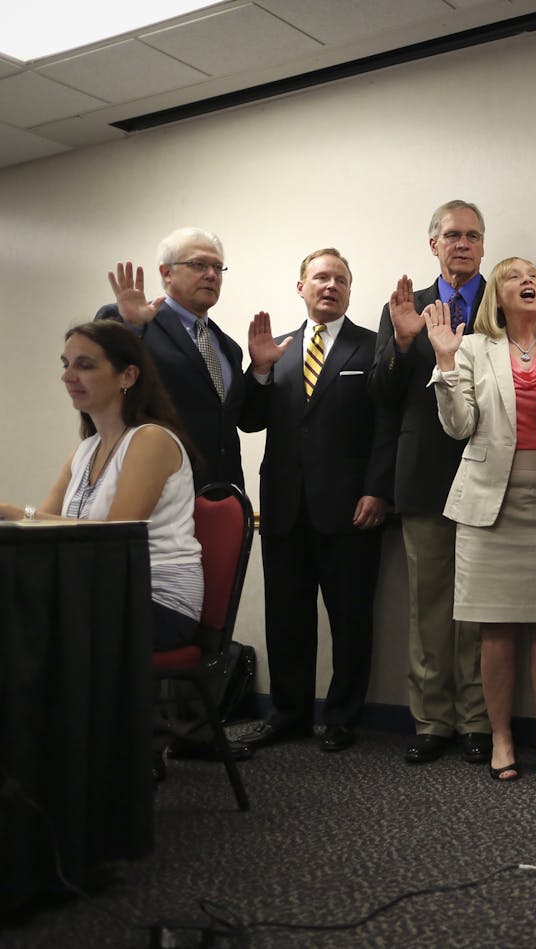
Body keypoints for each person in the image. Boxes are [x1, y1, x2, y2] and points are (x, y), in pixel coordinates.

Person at [237, 249, 395, 754]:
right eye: (320, 278)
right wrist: (258, 372)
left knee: (350, 621)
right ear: (300, 286)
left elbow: (386, 428)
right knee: (286, 620)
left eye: (340, 280)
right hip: (283, 510)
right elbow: (250, 420)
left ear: (350, 290)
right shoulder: (275, 350)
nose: (330, 286)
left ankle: (343, 718)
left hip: (351, 510)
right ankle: (288, 715)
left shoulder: (373, 347)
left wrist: (377, 489)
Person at [426, 256, 536, 781]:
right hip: (490, 504)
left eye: (533, 274)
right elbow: (458, 427)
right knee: (497, 629)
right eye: (512, 276)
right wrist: (444, 364)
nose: (526, 281)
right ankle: (502, 735)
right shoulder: (469, 348)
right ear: (496, 297)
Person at [370, 200, 493, 765]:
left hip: (492, 476)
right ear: (433, 244)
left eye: (472, 235)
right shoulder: (405, 308)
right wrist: (399, 345)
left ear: (483, 245)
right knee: (429, 605)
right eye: (452, 235)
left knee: (479, 608)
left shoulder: (504, 300)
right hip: (424, 478)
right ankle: (432, 720)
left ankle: (476, 719)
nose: (462, 243)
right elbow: (383, 399)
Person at [0, 321, 204, 648]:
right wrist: (12, 517)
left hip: (157, 602)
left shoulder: (151, 439)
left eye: (85, 365)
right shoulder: (86, 448)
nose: (68, 376)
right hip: (101, 591)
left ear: (128, 376)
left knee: (23, 624)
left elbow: (114, 539)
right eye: (66, 365)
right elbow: (37, 527)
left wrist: (13, 511)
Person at [97, 227, 246, 490]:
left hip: (222, 497)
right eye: (199, 264)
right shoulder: (128, 321)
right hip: (155, 490)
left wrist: (261, 369)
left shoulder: (230, 348)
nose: (211, 275)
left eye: (217, 267)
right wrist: (133, 329)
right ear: (166, 272)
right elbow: (101, 385)